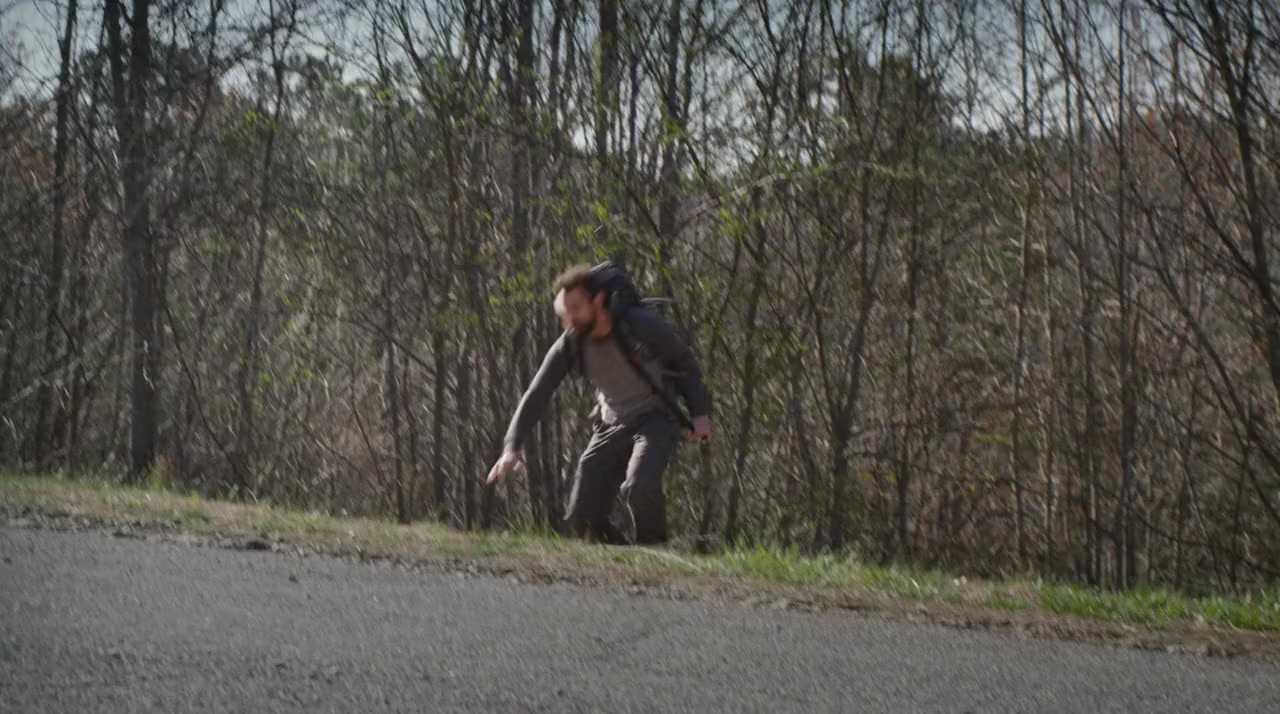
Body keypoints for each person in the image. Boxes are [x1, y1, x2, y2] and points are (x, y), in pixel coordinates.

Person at [486, 263, 713, 545]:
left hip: (655, 417)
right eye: (565, 313)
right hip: (611, 422)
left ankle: (655, 552)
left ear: (599, 301)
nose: (570, 319)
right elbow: (537, 392)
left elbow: (684, 361)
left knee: (639, 487)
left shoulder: (638, 324)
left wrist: (700, 413)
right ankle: (622, 559)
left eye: (576, 309)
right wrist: (512, 446)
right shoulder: (571, 343)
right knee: (582, 516)